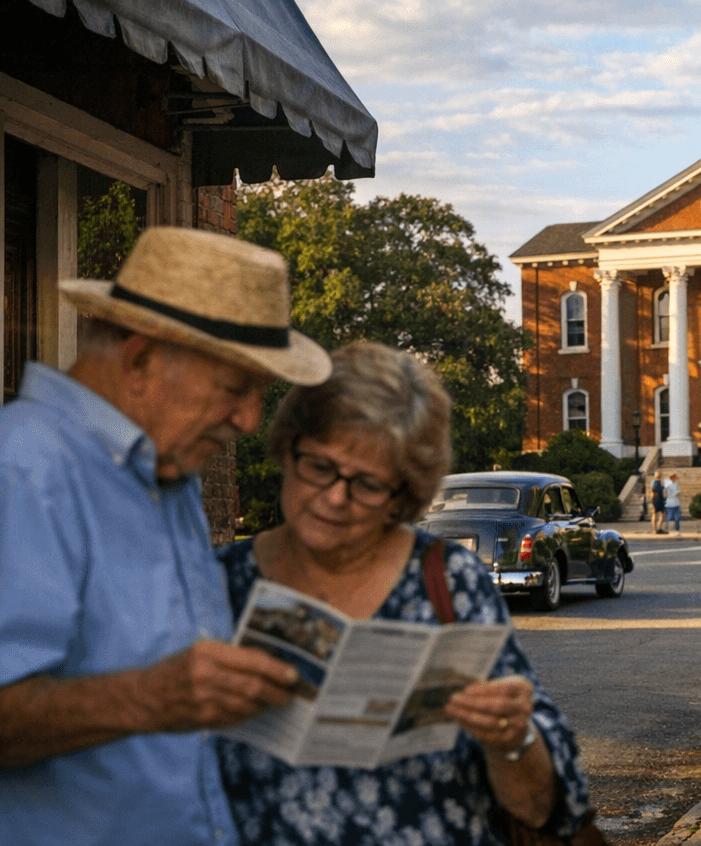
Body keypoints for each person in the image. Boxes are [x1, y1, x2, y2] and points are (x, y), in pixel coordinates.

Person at [0, 227, 330, 846]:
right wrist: (150, 697)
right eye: (235, 388)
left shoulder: (166, 474)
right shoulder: (22, 468)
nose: (251, 420)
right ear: (140, 360)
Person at [215, 342, 593, 844]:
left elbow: (546, 806)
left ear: (406, 492)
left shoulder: (449, 579)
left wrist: (512, 738)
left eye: (368, 484)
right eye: (319, 467)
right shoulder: (216, 581)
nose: (334, 498)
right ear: (287, 449)